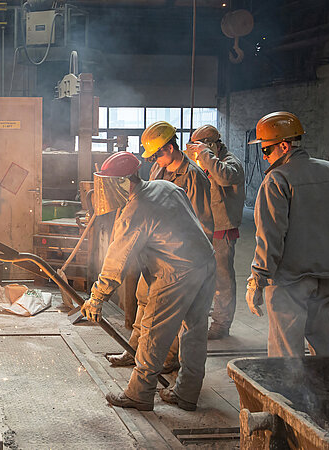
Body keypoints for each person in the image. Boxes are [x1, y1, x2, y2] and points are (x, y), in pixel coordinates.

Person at [81, 151, 216, 411]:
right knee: (194, 332)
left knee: (154, 332)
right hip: (205, 262)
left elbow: (116, 259)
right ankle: (187, 394)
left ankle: (139, 394)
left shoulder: (135, 210)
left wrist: (97, 296)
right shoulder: (165, 186)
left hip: (176, 271)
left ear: (121, 182)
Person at [246, 111, 329, 357]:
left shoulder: (277, 180)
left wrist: (258, 279)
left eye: (267, 150)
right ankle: (326, 395)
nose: (264, 156)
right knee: (327, 356)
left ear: (284, 145)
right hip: (328, 282)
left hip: (290, 284)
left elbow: (270, 237)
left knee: (286, 360)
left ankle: (289, 397)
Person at [107, 121, 213, 370]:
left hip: (179, 261)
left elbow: (202, 222)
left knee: (173, 317)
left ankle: (166, 360)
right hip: (155, 257)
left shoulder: (193, 176)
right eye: (152, 156)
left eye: (157, 153)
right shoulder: (157, 169)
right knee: (143, 301)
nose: (154, 159)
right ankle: (133, 351)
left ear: (170, 147)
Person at [185, 125, 245, 340]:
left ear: (212, 145)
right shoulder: (204, 161)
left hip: (222, 228)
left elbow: (224, 178)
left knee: (222, 279)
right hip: (203, 227)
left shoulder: (231, 163)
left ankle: (221, 323)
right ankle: (204, 314)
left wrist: (203, 154)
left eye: (201, 148)